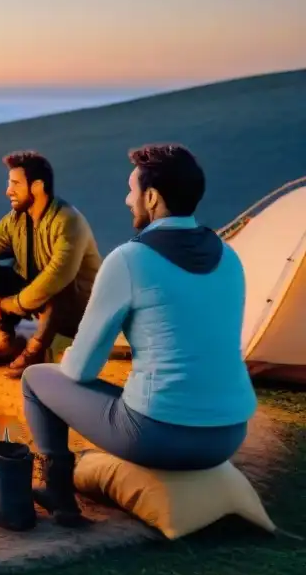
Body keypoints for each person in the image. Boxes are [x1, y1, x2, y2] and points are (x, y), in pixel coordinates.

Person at [20, 144, 257, 526]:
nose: (127, 199)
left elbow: (81, 371)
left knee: (37, 378)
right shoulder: (229, 257)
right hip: (227, 436)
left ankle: (57, 493)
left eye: (132, 190)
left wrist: (68, 358)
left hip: (157, 437)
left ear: (152, 197)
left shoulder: (129, 259)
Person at [0, 151, 102, 377]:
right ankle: (4, 341)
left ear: (37, 186)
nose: (8, 191)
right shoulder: (15, 219)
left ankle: (37, 349)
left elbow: (55, 278)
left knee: (58, 284)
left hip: (78, 308)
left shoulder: (68, 221)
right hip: (38, 300)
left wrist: (8, 304)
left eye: (16, 184)